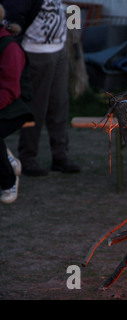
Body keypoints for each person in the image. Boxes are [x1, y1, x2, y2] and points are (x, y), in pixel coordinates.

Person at [9, 0, 80, 176]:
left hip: (59, 51)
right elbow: (14, 15)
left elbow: (71, 7)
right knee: (35, 108)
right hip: (35, 53)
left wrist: (74, 37)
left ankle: (60, 155)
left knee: (60, 105)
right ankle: (27, 157)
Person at [0, 4, 34, 203]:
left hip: (16, 107)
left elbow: (10, 90)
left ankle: (8, 181)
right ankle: (7, 159)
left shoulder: (9, 47)